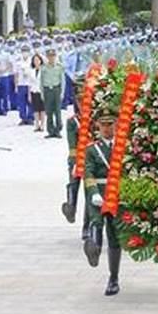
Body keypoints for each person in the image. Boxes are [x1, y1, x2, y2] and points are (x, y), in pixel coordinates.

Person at [83, 107, 123, 296]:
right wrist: (93, 192)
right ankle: (93, 247)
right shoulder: (92, 149)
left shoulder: (124, 147)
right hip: (99, 193)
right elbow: (88, 171)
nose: (107, 128)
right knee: (96, 222)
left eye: (110, 124)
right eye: (103, 125)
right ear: (97, 126)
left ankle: (113, 278)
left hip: (116, 193)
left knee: (114, 237)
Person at [61, 75, 89, 239]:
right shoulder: (73, 122)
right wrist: (77, 162)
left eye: (84, 99)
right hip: (77, 156)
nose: (82, 103)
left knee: (90, 194)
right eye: (79, 100)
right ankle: (71, 205)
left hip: (91, 158)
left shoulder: (95, 120)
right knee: (73, 181)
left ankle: (86, 227)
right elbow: (72, 145)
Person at [40, 48, 65, 138]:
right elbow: (41, 81)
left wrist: (62, 92)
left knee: (57, 111)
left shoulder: (59, 67)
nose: (51, 58)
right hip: (47, 90)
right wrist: (42, 93)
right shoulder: (43, 68)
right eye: (49, 56)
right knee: (49, 111)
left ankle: (58, 130)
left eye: (53, 56)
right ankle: (50, 131)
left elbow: (62, 81)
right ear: (47, 57)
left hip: (56, 90)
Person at [14, 45, 33, 125]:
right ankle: (23, 118)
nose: (25, 52)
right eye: (23, 51)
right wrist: (16, 86)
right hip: (21, 84)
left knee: (31, 102)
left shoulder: (32, 61)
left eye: (26, 51)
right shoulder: (18, 61)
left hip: (30, 84)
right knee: (21, 103)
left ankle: (30, 117)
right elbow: (16, 74)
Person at [28, 52, 45, 133]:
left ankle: (42, 125)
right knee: (35, 109)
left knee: (42, 109)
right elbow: (29, 83)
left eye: (38, 60)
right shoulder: (31, 71)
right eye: (35, 60)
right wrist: (29, 94)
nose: (36, 62)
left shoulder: (44, 70)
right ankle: (36, 124)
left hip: (41, 91)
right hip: (34, 91)